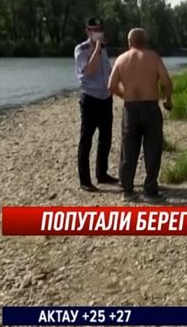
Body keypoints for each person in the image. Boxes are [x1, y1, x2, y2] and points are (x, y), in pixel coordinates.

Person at [107, 28, 173, 201]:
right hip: (151, 107)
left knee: (128, 150)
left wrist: (125, 94)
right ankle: (150, 190)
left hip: (131, 109)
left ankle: (127, 190)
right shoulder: (153, 57)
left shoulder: (121, 59)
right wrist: (168, 100)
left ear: (129, 42)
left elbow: (111, 86)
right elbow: (166, 81)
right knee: (152, 149)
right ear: (145, 41)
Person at [74, 17, 119, 192]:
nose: (97, 32)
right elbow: (90, 70)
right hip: (90, 98)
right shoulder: (81, 49)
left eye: (100, 29)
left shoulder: (103, 49)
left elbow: (107, 69)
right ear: (87, 31)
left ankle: (102, 173)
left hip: (105, 98)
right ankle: (85, 180)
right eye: (93, 29)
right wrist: (97, 49)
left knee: (105, 138)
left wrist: (113, 87)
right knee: (86, 140)